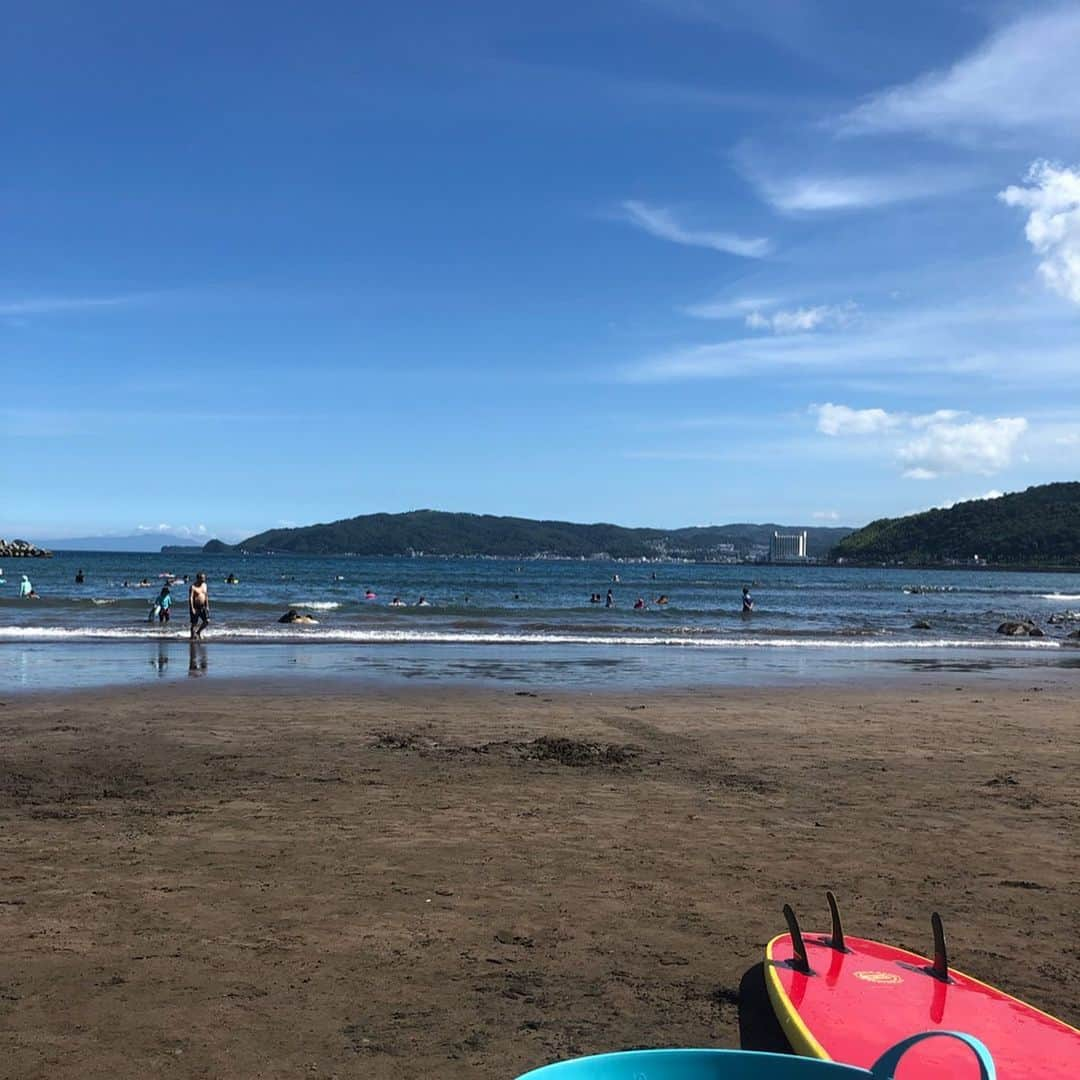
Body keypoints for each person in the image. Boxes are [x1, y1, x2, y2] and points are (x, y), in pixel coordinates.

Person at [189, 572, 210, 639]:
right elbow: (191, 598)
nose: (204, 579)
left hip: (203, 607)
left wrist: (207, 606)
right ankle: (192, 636)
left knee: (207, 621)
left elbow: (206, 596)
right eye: (202, 578)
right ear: (198, 578)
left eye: (204, 578)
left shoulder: (205, 585)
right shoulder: (193, 587)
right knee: (194, 623)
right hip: (195, 607)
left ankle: (198, 632)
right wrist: (192, 608)